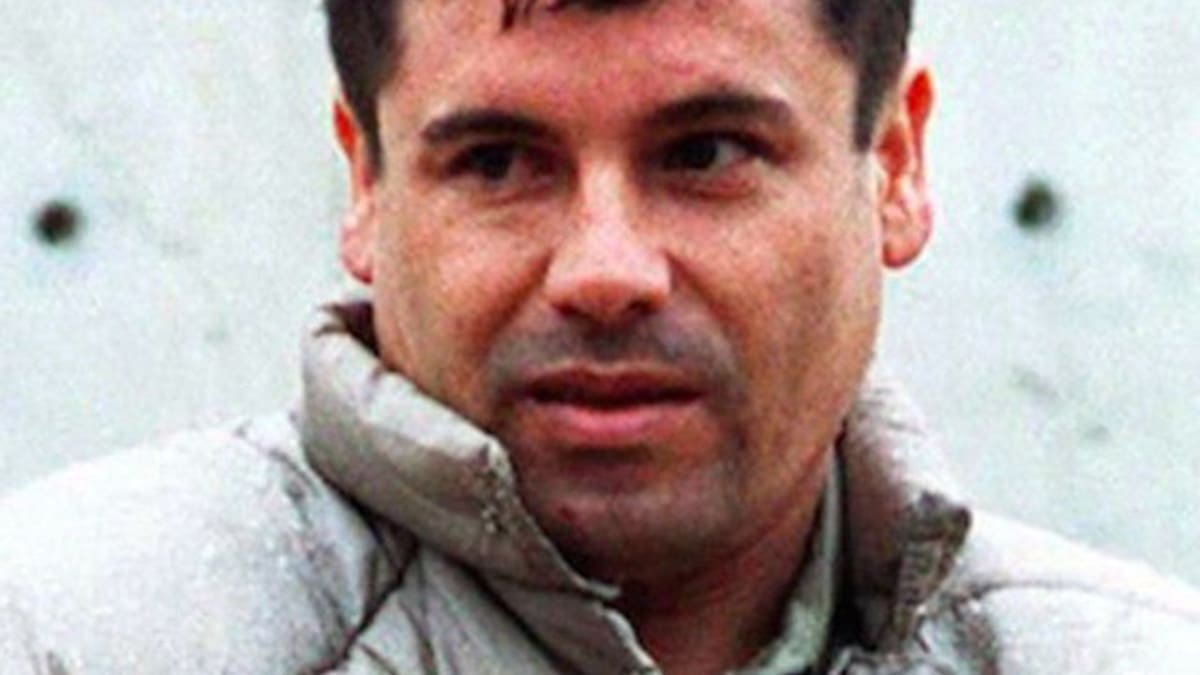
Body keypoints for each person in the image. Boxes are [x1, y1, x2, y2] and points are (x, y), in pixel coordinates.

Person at [2, 0, 1199, 672]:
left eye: (706, 153)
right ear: (363, 184)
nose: (606, 272)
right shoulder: (57, 637)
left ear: (893, 163)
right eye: (498, 162)